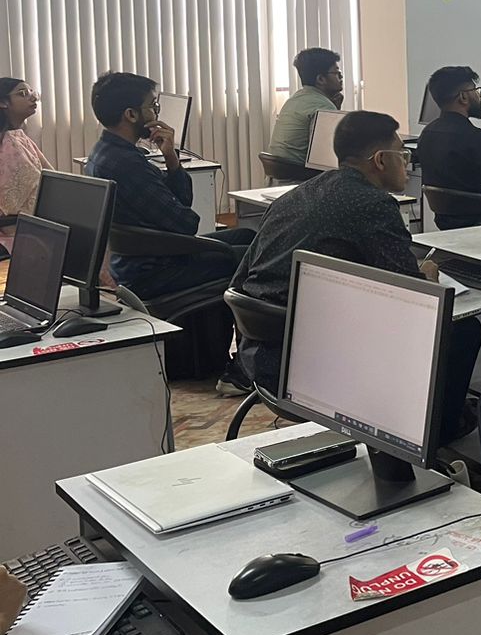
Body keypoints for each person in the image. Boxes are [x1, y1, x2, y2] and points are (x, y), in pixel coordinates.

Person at [231, 111, 481, 436]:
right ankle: (437, 434)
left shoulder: (294, 196)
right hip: (313, 366)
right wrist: (428, 275)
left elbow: (241, 279)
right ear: (380, 160)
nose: (407, 164)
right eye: (403, 155)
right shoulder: (372, 204)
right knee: (463, 330)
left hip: (261, 356)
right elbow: (414, 300)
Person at [84, 72, 255, 394]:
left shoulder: (106, 153)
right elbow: (187, 222)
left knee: (245, 237)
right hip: (155, 269)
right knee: (256, 260)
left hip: (141, 260)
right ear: (131, 114)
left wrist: (171, 157)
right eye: (153, 106)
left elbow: (180, 209)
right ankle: (248, 367)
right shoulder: (127, 165)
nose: (156, 113)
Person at [416, 66, 481, 225]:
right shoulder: (476, 138)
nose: (479, 96)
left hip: (445, 222)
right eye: (475, 90)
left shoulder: (426, 134)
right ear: (463, 97)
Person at [266, 48, 343, 163]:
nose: (341, 77)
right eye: (337, 73)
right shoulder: (322, 106)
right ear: (321, 79)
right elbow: (329, 158)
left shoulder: (296, 99)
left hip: (280, 172)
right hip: (301, 173)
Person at [0, 78, 50, 253]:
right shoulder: (8, 142)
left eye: (32, 92)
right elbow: (11, 206)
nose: (33, 98)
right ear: (3, 103)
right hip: (14, 232)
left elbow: (50, 175)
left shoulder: (17, 135)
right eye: (23, 93)